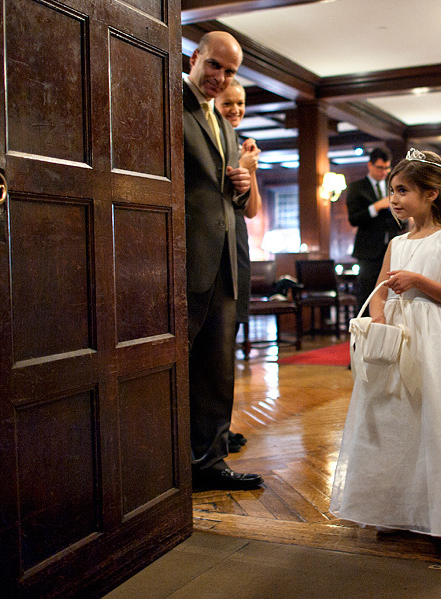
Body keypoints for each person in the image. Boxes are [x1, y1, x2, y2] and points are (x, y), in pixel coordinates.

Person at [331, 148, 441, 537]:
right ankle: (395, 506)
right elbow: (380, 288)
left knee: (434, 416)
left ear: (430, 194)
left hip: (433, 335)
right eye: (393, 191)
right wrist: (380, 319)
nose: (394, 199)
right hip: (398, 336)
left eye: (402, 191)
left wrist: (417, 281)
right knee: (394, 418)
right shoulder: (398, 241)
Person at [183, 31, 262, 490]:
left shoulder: (226, 126)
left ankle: (209, 464)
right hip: (188, 257)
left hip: (226, 261)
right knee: (181, 364)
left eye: (230, 72)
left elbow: (234, 204)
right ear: (195, 58)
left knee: (216, 367)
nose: (221, 78)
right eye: (215, 66)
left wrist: (241, 183)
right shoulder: (172, 103)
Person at [216, 78, 261, 454]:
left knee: (227, 346)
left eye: (241, 104)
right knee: (215, 350)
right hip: (217, 250)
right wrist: (240, 166)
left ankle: (221, 429)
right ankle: (213, 431)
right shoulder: (213, 141)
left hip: (238, 248)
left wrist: (251, 169)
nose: (236, 110)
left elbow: (251, 208)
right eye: (229, 103)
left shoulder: (236, 141)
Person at [346, 147, 406, 311]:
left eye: (387, 168)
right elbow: (354, 219)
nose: (384, 172)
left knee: (392, 292)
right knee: (366, 293)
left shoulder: (392, 186)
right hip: (368, 251)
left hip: (392, 249)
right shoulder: (357, 187)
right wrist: (376, 207)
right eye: (380, 167)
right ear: (370, 165)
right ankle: (364, 331)